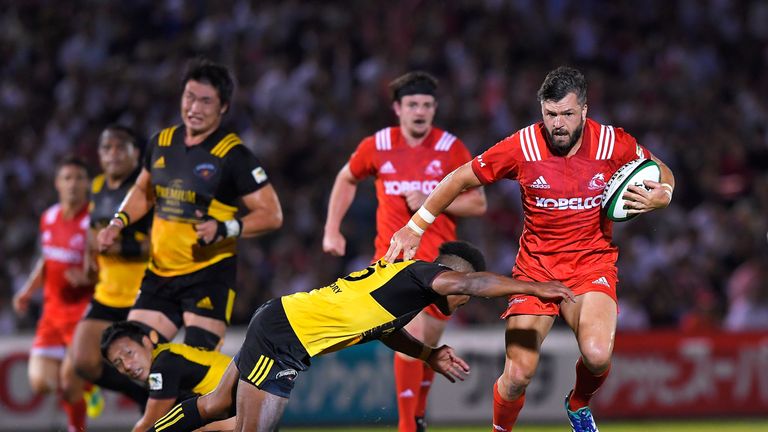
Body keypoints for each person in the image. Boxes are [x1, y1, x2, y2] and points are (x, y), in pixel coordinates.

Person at [385, 67, 676, 432]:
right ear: (541, 110)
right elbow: (460, 177)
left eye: (567, 114)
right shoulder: (521, 146)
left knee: (598, 357)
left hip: (591, 266)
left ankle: (578, 404)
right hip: (535, 271)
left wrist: (663, 194)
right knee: (518, 375)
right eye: (550, 114)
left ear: (584, 110)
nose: (558, 123)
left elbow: (660, 170)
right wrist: (415, 227)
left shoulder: (612, 143)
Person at [141, 241, 574, 432]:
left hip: (280, 320)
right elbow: (473, 284)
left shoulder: (400, 292)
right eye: (461, 291)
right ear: (452, 274)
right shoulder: (422, 275)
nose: (464, 302)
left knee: (218, 404)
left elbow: (386, 332)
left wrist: (427, 354)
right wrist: (536, 287)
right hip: (284, 336)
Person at [322, 71, 486, 432]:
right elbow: (346, 177)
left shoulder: (449, 147)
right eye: (412, 104)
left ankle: (419, 416)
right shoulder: (377, 145)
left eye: (427, 105)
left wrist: (434, 203)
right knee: (410, 334)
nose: (420, 111)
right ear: (397, 109)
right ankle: (407, 425)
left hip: (443, 263)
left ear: (435, 109)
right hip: (396, 260)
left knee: (429, 344)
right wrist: (332, 228)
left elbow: (478, 203)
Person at [97, 58, 283, 351]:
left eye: (206, 101)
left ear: (223, 107)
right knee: (132, 351)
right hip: (160, 274)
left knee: (195, 370)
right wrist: (117, 223)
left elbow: (272, 215)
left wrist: (225, 228)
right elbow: (143, 192)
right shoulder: (162, 142)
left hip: (208, 276)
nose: (194, 108)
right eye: (190, 98)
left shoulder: (234, 155)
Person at [69, 125, 151, 411]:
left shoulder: (145, 189)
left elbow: (161, 244)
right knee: (83, 361)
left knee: (151, 369)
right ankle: (144, 398)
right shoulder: (96, 187)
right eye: (106, 148)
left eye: (120, 147)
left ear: (136, 153)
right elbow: (93, 235)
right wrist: (88, 267)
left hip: (144, 297)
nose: (113, 154)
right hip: (107, 294)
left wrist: (119, 248)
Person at [12, 156, 94, 432]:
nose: (73, 184)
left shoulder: (93, 220)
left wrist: (87, 276)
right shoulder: (48, 217)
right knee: (41, 383)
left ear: (88, 184)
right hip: (51, 313)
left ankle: (76, 424)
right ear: (58, 183)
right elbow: (47, 261)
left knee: (69, 380)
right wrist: (27, 290)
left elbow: (107, 267)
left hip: (83, 313)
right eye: (67, 178)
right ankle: (87, 386)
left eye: (79, 178)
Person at [100, 321, 236, 432]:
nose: (127, 365)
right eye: (118, 363)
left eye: (129, 353)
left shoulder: (162, 367)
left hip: (243, 408)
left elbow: (149, 423)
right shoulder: (167, 355)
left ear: (146, 342)